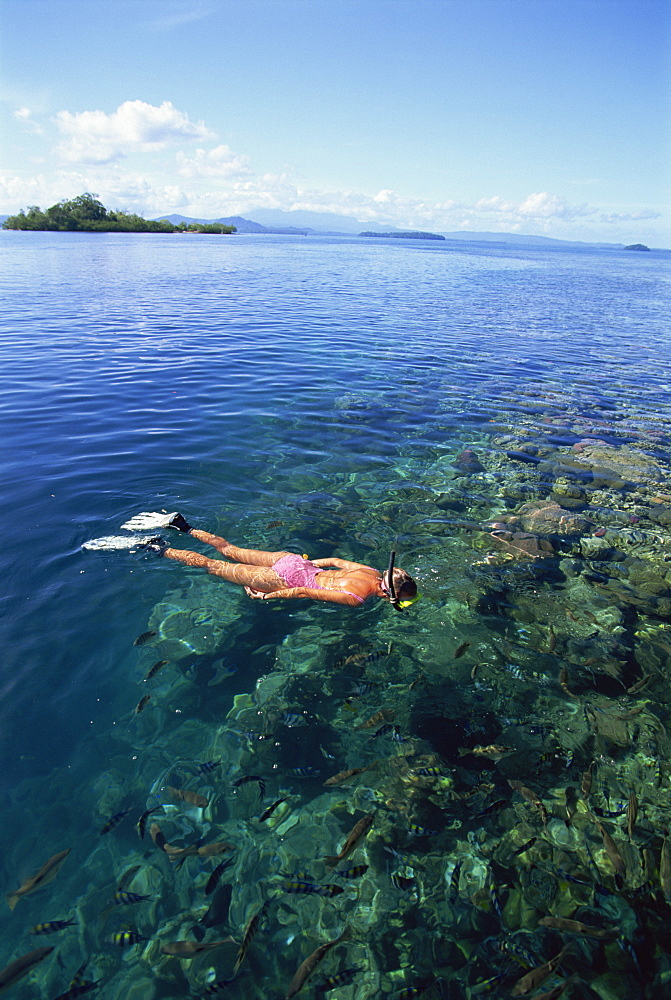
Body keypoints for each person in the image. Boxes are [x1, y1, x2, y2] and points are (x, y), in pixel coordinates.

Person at [121, 512, 420, 609]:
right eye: (400, 602)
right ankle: (160, 548)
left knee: (227, 549)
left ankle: (183, 526)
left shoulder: (368, 570)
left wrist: (308, 563)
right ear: (388, 594)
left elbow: (334, 559)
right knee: (215, 566)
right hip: (288, 580)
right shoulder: (358, 598)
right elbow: (303, 591)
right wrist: (269, 595)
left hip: (295, 563)